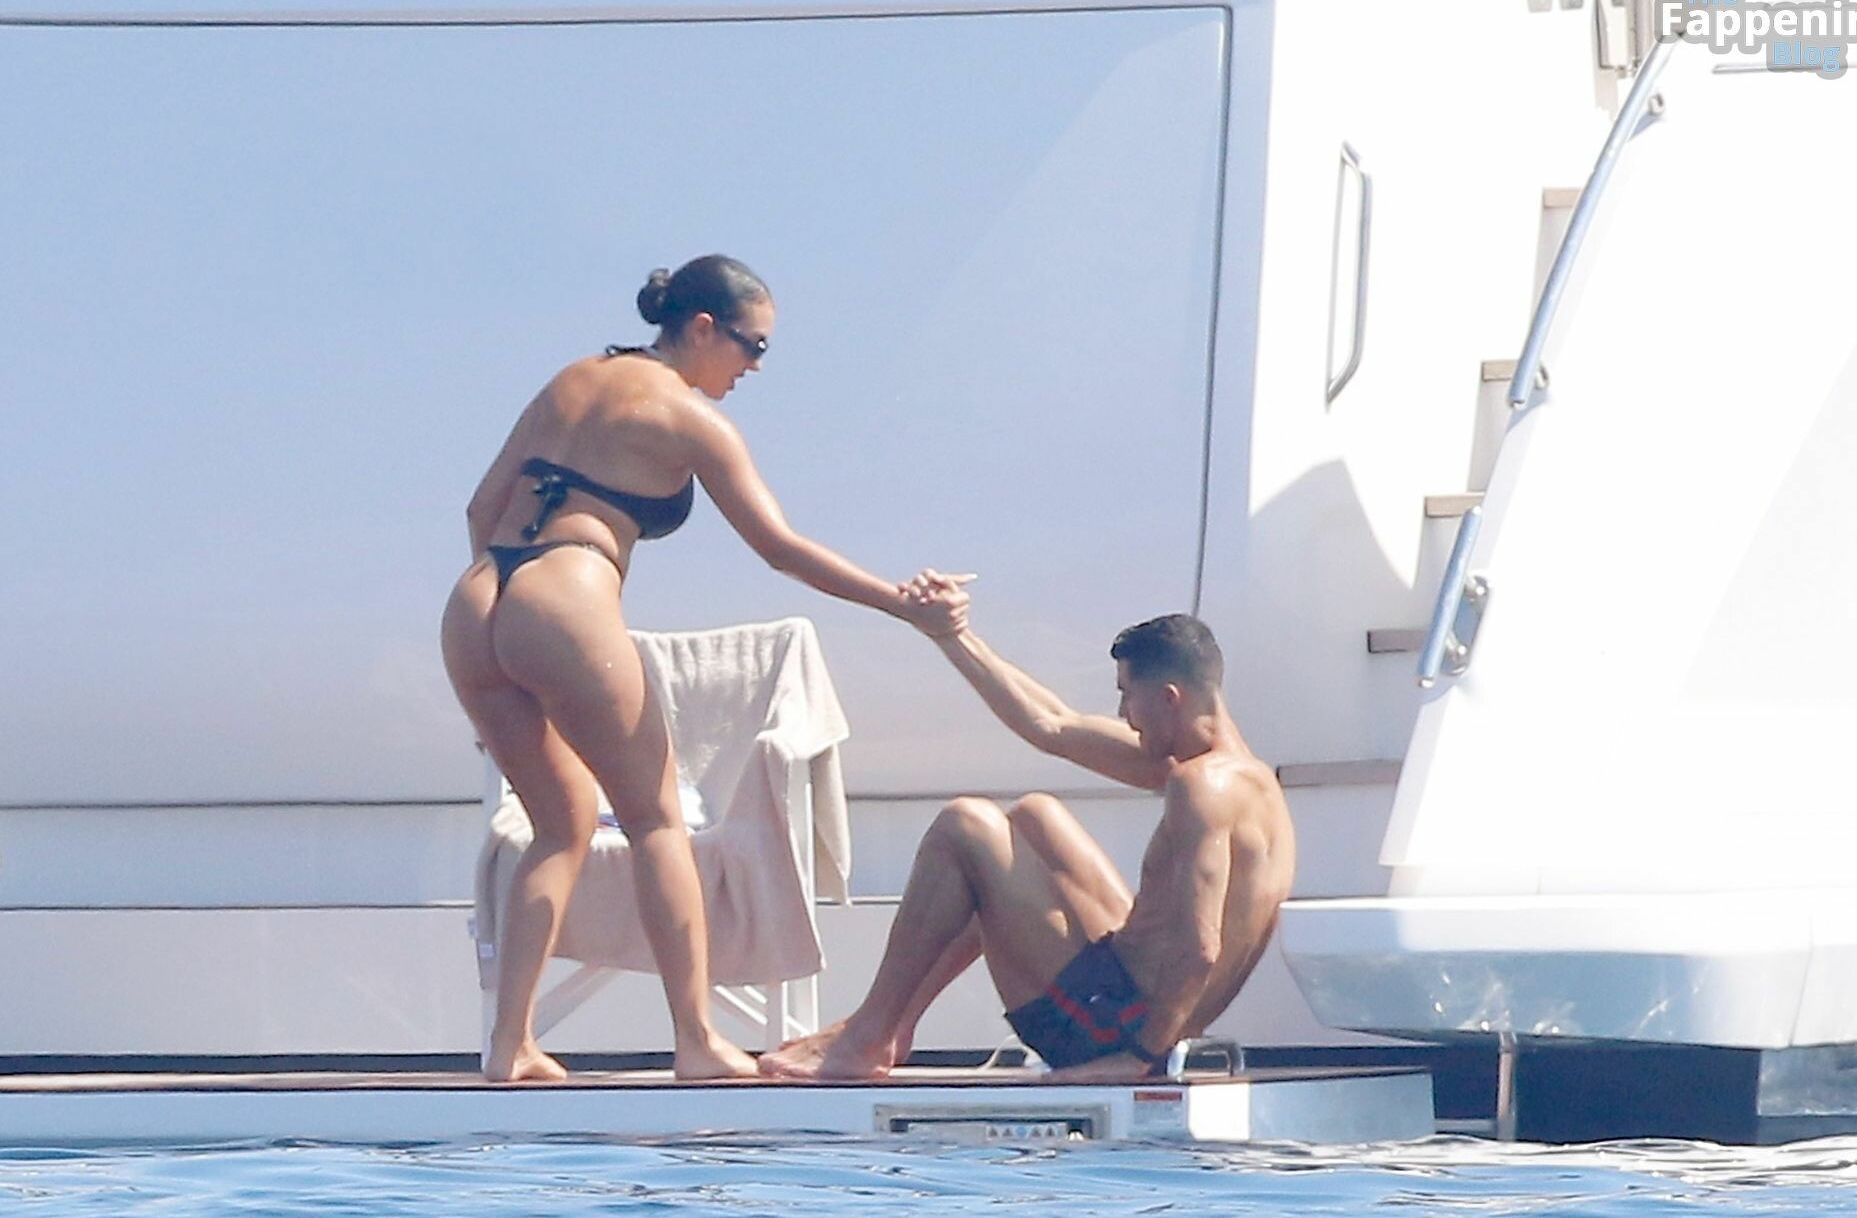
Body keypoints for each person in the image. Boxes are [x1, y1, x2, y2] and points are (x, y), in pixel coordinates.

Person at [441, 255, 966, 1082]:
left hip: (477, 601)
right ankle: (696, 1040)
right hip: (566, 596)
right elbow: (780, 548)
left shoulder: (572, 379)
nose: (754, 368)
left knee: (558, 824)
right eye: (753, 347)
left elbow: (481, 507)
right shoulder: (691, 420)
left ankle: (508, 1047)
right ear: (702, 328)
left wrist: (513, 619)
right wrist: (901, 604)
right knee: (655, 822)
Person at [760, 597, 1294, 1081]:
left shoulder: (1198, 787)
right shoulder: (1247, 782)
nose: (1122, 716)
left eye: (1127, 696)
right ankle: (890, 1027)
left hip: (1115, 1032)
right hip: (1134, 1004)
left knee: (965, 826)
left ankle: (868, 1034)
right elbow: (1051, 724)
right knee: (1038, 819)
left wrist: (1136, 1059)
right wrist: (951, 635)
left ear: (1169, 698)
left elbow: (1200, 948)